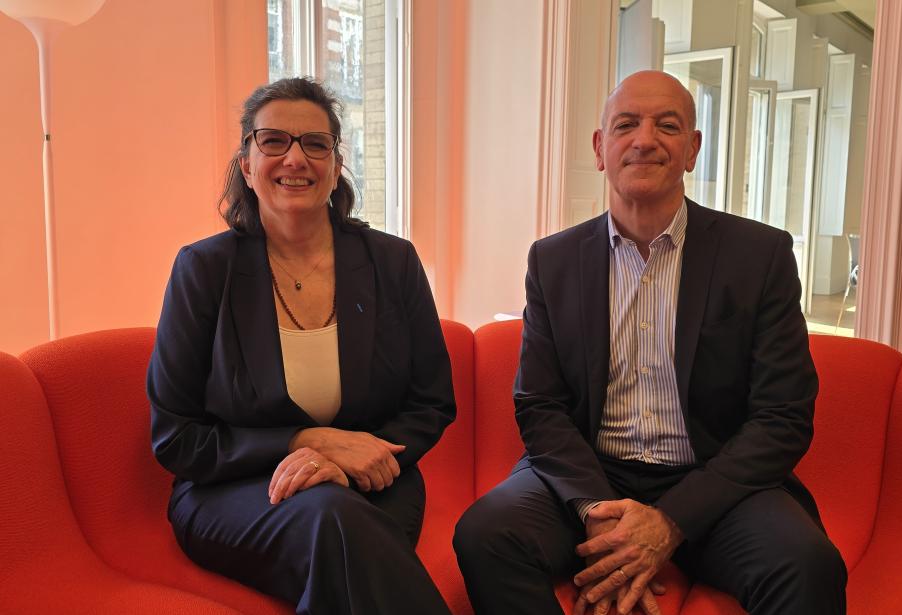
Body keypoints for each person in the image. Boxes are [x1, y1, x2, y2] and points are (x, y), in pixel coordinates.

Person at [454, 70, 847, 615]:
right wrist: (597, 510)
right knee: (486, 535)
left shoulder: (759, 256)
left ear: (692, 149)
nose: (644, 139)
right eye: (625, 124)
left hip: (713, 481)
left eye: (667, 125)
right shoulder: (554, 260)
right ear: (600, 148)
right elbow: (539, 405)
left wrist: (669, 521)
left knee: (807, 565)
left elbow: (783, 417)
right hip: (590, 476)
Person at [147, 77, 454, 615]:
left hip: (375, 480)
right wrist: (306, 441)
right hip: (232, 493)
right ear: (247, 164)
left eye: (316, 144)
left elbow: (431, 402)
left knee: (337, 528)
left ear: (336, 167)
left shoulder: (393, 262)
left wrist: (353, 461)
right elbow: (177, 439)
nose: (296, 158)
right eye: (273, 141)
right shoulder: (203, 270)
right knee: (333, 522)